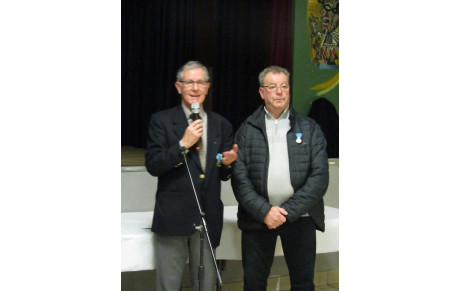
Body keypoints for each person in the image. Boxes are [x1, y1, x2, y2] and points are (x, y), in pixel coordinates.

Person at [231, 66, 329, 291]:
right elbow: (239, 177)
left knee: (303, 283)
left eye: (284, 86)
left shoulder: (310, 128)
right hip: (258, 216)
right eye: (272, 87)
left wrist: (286, 212)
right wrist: (265, 211)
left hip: (300, 217)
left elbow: (319, 177)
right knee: (254, 284)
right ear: (261, 92)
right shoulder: (247, 129)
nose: (279, 92)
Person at [145, 61, 238, 291]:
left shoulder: (221, 124)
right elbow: (154, 165)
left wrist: (228, 164)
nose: (195, 88)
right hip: (172, 218)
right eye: (189, 82)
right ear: (178, 87)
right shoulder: (162, 121)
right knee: (169, 285)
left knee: (205, 285)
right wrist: (182, 144)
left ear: (208, 87)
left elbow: (222, 173)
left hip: (208, 218)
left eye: (201, 82)